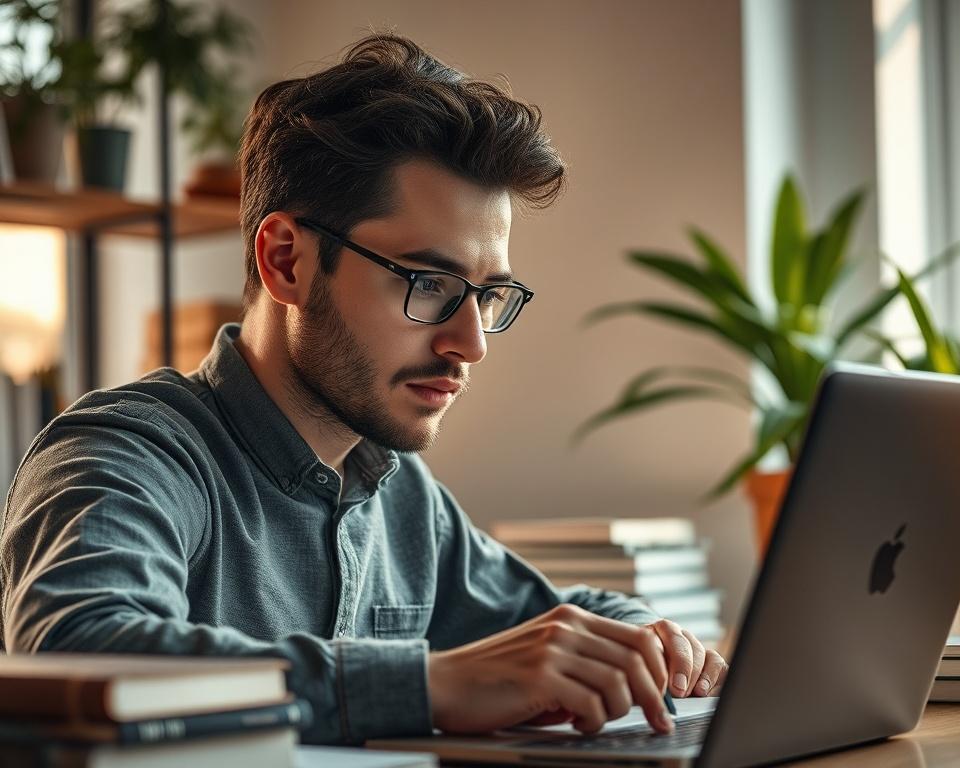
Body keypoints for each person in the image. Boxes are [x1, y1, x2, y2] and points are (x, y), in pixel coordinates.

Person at [0, 34, 727, 745]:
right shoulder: (127, 452)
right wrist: (431, 684)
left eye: (489, 296)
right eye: (427, 283)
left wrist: (644, 642)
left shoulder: (399, 492)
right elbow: (81, 648)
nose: (469, 343)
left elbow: (558, 617)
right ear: (286, 260)